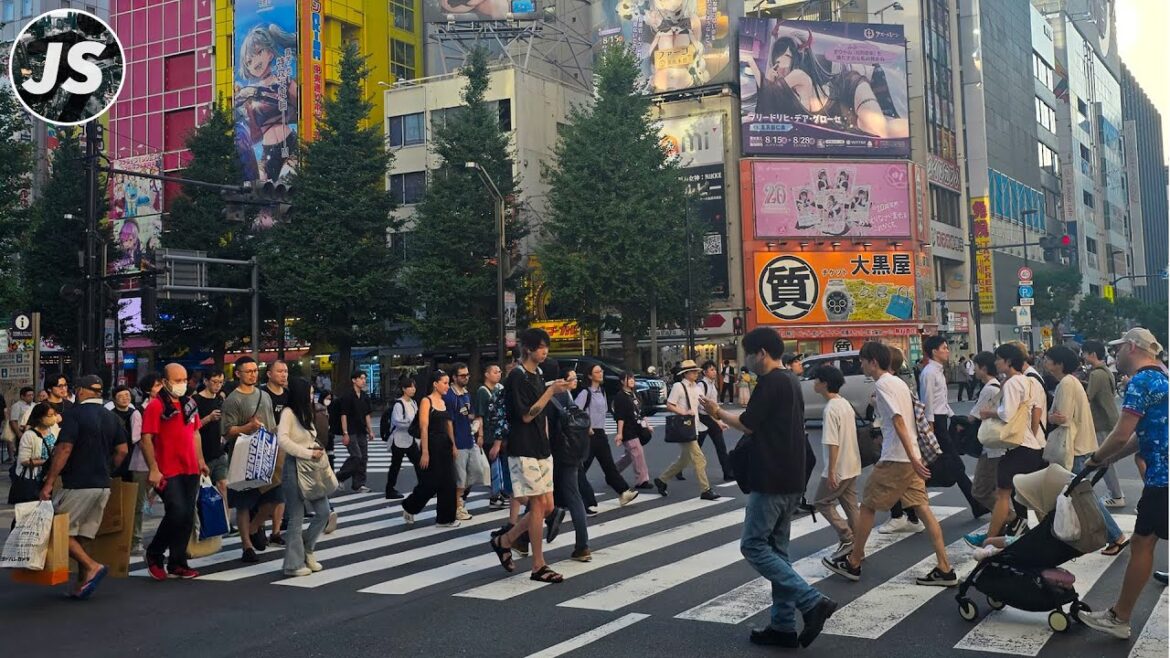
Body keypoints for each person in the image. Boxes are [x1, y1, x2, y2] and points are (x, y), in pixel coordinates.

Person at [701, 328, 837, 648]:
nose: (746, 360)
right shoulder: (790, 379)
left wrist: (717, 411)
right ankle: (783, 625)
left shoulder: (772, 382)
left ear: (761, 353)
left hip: (771, 478)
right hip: (791, 477)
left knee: (753, 545)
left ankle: (811, 601)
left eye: (748, 353)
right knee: (778, 552)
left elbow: (749, 423)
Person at [824, 341, 958, 587]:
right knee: (924, 510)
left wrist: (913, 459)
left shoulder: (883, 384)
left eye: (863, 361)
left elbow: (898, 421)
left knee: (867, 507)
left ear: (873, 362)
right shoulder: (898, 382)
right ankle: (945, 567)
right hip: (909, 457)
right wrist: (915, 457)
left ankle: (853, 562)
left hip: (896, 458)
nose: (861, 365)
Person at [1081, 328, 1168, 639]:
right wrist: (1111, 458)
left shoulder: (1141, 381)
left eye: (1118, 349)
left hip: (1162, 478)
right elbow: (1141, 434)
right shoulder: (1163, 375)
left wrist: (1095, 458)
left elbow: (1120, 433)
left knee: (1142, 543)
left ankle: (1119, 616)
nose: (1114, 355)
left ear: (1132, 347)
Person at [488, 328, 574, 583]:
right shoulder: (517, 377)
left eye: (546, 346)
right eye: (540, 347)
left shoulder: (537, 374)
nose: (545, 351)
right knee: (538, 505)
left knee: (547, 505)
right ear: (528, 349)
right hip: (522, 447)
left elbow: (542, 415)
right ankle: (538, 565)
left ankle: (504, 541)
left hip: (540, 447)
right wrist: (551, 391)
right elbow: (526, 414)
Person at [37, 374, 128, 599]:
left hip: (78, 483)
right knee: (83, 534)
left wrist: (49, 482)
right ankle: (82, 582)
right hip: (102, 484)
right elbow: (123, 450)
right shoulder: (111, 417)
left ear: (81, 391)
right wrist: (108, 469)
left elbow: (64, 449)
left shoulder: (74, 415)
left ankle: (91, 566)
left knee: (57, 530)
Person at [1045, 345, 1129, 555]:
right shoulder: (1072, 381)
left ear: (1059, 364)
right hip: (1080, 443)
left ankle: (1115, 535)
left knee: (1085, 496)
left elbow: (1062, 417)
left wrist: (1049, 416)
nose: (1045, 363)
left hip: (1074, 447)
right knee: (1081, 494)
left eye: (1048, 359)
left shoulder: (1066, 383)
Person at [964, 343, 1048, 548]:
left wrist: (988, 413)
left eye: (999, 359)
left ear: (1008, 361)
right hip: (1030, 445)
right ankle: (1038, 530)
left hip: (1018, 446)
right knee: (1023, 494)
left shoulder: (1011, 383)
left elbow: (1006, 414)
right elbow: (1036, 409)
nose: (996, 363)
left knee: (1003, 494)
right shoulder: (1028, 382)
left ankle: (990, 538)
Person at [141, 364, 209, 581]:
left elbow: (196, 433)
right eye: (176, 380)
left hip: (190, 466)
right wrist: (153, 468)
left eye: (184, 379)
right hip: (166, 469)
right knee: (177, 511)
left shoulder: (190, 403)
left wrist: (200, 460)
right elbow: (146, 438)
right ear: (165, 381)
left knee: (187, 515)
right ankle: (155, 553)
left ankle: (178, 561)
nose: (181, 383)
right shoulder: (156, 406)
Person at [920, 336, 988, 519]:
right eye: (944, 347)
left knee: (953, 465)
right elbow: (927, 403)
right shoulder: (929, 373)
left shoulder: (938, 371)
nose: (947, 351)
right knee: (953, 464)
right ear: (934, 351)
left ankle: (976, 505)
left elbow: (941, 401)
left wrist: (953, 418)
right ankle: (976, 504)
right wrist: (931, 429)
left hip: (943, 421)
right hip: (936, 424)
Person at [221, 356, 279, 563]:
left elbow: (272, 425)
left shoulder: (264, 396)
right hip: (242, 456)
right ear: (238, 374)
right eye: (249, 371)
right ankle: (246, 545)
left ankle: (255, 527)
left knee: (275, 497)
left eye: (255, 370)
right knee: (243, 503)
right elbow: (227, 432)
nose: (253, 374)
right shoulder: (232, 400)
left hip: (265, 453)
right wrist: (247, 428)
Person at [276, 377, 331, 577]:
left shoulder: (307, 412)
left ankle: (307, 549)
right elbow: (282, 440)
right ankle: (292, 564)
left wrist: (313, 449)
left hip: (311, 467)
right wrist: (307, 452)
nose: (312, 395)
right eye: (309, 392)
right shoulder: (289, 413)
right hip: (294, 467)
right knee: (296, 518)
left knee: (324, 511)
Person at [811, 365, 860, 557]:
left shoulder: (830, 409)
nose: (814, 383)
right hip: (852, 463)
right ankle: (858, 547)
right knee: (851, 507)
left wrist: (831, 471)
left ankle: (847, 536)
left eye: (816, 380)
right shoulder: (844, 403)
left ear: (824, 384)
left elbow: (833, 443)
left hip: (839, 467)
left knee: (821, 502)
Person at [653, 359, 720, 501]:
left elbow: (704, 406)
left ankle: (662, 479)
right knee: (699, 459)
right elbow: (670, 405)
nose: (696, 374)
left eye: (697, 371)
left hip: (693, 426)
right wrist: (683, 412)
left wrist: (717, 419)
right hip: (684, 427)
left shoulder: (697, 388)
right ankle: (705, 489)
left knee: (684, 460)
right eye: (693, 372)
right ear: (686, 373)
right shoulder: (678, 386)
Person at [576, 363, 638, 511]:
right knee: (582, 468)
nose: (601, 373)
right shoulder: (586, 392)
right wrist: (587, 426)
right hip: (588, 434)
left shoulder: (601, 391)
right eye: (597, 371)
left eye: (601, 371)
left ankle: (623, 492)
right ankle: (571, 495)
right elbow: (576, 411)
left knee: (608, 465)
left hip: (600, 433)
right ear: (590, 376)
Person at [402, 371, 458, 528]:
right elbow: (424, 427)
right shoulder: (426, 401)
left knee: (449, 482)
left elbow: (449, 425)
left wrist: (453, 445)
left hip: (445, 444)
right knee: (430, 483)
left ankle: (445, 519)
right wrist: (425, 451)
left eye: (448, 383)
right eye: (445, 383)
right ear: (435, 384)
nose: (447, 386)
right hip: (432, 444)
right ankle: (409, 506)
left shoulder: (444, 401)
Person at [549, 364, 590, 562]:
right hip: (571, 452)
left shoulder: (544, 395)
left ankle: (522, 539)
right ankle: (582, 546)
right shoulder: (565, 395)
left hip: (550, 453)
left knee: (537, 498)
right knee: (575, 497)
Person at [1083, 340, 1127, 507]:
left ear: (1092, 354)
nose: (1083, 357)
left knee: (1103, 459)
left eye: (1085, 353)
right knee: (1104, 458)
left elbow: (1088, 397)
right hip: (1109, 419)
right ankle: (1115, 493)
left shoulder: (1096, 374)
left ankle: (1116, 495)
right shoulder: (1105, 371)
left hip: (1101, 421)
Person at [968, 352, 1006, 521]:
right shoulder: (998, 386)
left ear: (983, 368)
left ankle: (1009, 517)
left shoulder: (989, 389)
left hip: (992, 447)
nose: (974, 370)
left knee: (979, 491)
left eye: (975, 366)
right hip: (999, 445)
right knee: (996, 489)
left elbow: (973, 416)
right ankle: (1003, 521)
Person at [444, 363, 484, 521]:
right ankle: (457, 506)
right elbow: (448, 422)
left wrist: (476, 427)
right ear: (454, 377)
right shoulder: (450, 396)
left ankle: (459, 499)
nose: (466, 377)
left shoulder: (466, 394)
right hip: (458, 441)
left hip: (469, 438)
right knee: (460, 477)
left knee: (476, 472)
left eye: (467, 374)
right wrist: (452, 444)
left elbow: (470, 414)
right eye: (462, 375)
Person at [263, 360, 290, 545]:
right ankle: (256, 527)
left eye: (286, 371)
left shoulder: (289, 395)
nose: (284, 374)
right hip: (265, 445)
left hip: (284, 446)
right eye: (279, 371)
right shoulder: (262, 394)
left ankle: (276, 530)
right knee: (264, 491)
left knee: (281, 490)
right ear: (269, 374)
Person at [476, 365, 510, 509]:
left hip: (500, 433)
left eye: (499, 372)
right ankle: (494, 496)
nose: (498, 374)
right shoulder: (483, 391)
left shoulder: (500, 388)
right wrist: (481, 435)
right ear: (487, 374)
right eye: (495, 372)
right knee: (494, 465)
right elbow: (480, 415)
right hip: (490, 433)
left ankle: (501, 493)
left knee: (501, 464)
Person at [335, 370, 374, 493]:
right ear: (354, 380)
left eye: (364, 378)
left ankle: (359, 484)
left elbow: (367, 415)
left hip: (362, 430)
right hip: (351, 431)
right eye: (361, 378)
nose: (363, 381)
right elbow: (344, 415)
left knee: (363, 458)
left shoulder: (364, 396)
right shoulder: (347, 396)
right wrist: (345, 433)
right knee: (356, 456)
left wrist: (370, 430)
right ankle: (339, 476)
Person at [195, 371, 228, 516]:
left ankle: (225, 519)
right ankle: (204, 519)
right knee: (202, 489)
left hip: (219, 451)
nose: (217, 385)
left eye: (220, 382)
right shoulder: (195, 400)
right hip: (202, 452)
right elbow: (191, 428)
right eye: (214, 381)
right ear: (206, 381)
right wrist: (208, 418)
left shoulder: (220, 399)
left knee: (223, 485)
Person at [613, 371, 652, 490]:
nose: (631, 380)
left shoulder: (635, 394)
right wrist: (619, 433)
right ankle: (642, 480)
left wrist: (648, 425)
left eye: (632, 378)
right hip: (628, 430)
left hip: (638, 428)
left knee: (631, 455)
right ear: (622, 381)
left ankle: (613, 472)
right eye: (628, 378)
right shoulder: (620, 396)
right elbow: (620, 417)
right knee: (638, 453)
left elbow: (642, 412)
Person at [698, 360, 734, 481]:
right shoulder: (701, 385)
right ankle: (679, 468)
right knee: (695, 447)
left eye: (714, 369)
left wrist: (718, 417)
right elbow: (702, 405)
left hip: (710, 417)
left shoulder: (712, 384)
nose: (714, 372)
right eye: (711, 370)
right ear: (704, 372)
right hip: (703, 417)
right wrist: (717, 420)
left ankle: (727, 473)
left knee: (720, 446)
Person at [385, 378, 419, 500]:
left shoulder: (414, 403)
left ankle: (425, 486)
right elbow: (396, 421)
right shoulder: (399, 404)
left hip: (410, 439)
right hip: (398, 439)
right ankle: (390, 490)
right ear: (404, 389)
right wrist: (411, 423)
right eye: (410, 387)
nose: (413, 389)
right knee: (396, 465)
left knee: (419, 463)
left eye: (414, 386)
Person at [15, 402, 60, 487]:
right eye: (50, 416)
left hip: (51, 476)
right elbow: (24, 461)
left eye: (54, 414)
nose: (54, 418)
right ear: (40, 417)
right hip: (34, 477)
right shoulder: (29, 435)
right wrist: (47, 462)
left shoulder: (54, 428)